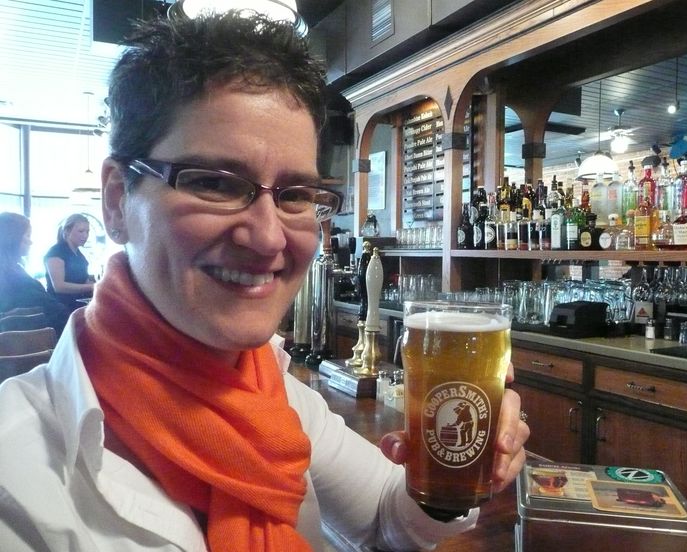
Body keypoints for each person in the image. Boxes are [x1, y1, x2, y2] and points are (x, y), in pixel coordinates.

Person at [0, 11, 528, 552]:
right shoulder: (17, 477)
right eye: (214, 182)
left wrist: (446, 466)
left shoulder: (270, 388)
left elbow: (383, 519)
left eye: (296, 194)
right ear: (116, 200)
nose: (269, 238)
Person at [0, 212, 69, 336]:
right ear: (12, 238)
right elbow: (56, 313)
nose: (30, 242)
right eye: (27, 236)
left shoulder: (9, 272)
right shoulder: (18, 280)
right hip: (31, 348)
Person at [43, 212, 96, 311]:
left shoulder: (78, 254)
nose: (85, 235)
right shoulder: (56, 252)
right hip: (61, 307)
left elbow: (81, 280)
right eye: (81, 231)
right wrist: (91, 286)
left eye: (87, 232)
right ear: (67, 231)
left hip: (79, 304)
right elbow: (59, 286)